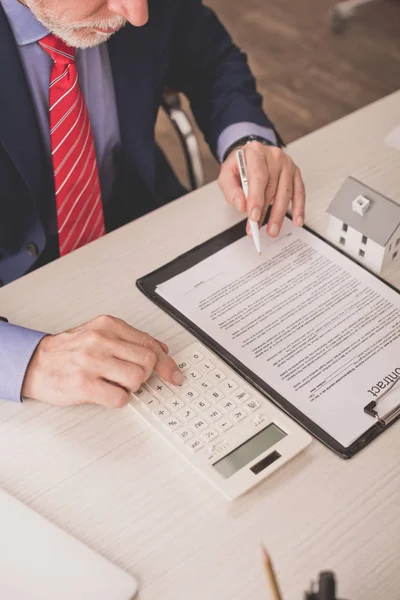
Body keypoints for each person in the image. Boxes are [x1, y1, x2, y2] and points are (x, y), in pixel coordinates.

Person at [0, 0, 306, 408]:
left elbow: (211, 58)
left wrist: (246, 139)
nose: (137, 15)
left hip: (143, 234)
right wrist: (28, 362)